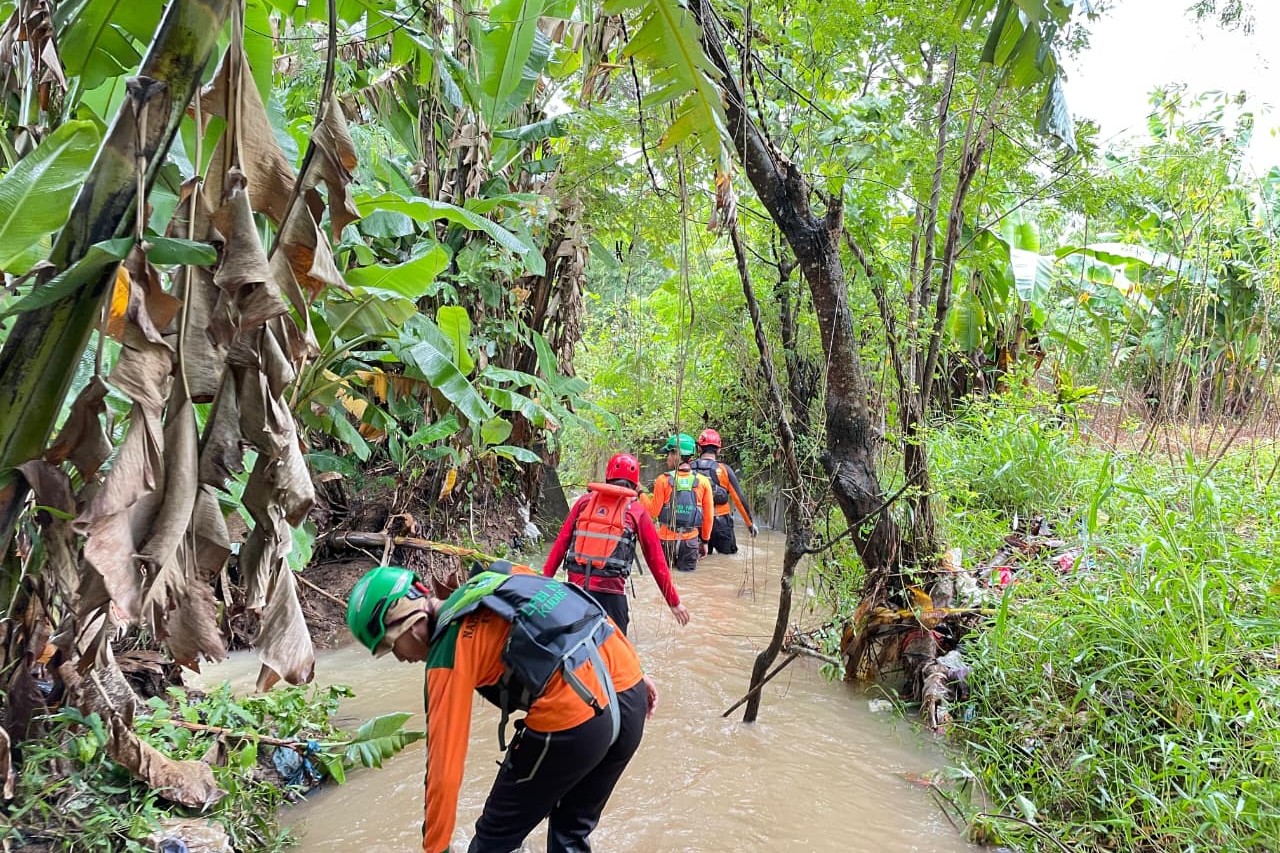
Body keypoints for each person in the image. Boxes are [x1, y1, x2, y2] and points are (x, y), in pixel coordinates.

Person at [346, 561, 658, 853]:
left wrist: (435, 848)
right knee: (571, 832)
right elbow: (570, 604)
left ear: (408, 622)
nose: (401, 658)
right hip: (628, 692)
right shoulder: (498, 577)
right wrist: (637, 672)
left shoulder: (448, 650)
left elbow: (444, 770)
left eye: (390, 646)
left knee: (493, 840)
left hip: (575, 718)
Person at [542, 452, 691, 635]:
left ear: (607, 477)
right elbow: (655, 560)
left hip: (575, 592)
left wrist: (543, 583)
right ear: (636, 484)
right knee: (616, 657)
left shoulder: (583, 502)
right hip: (611, 596)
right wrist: (674, 602)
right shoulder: (636, 511)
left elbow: (561, 544)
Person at [643, 432, 714, 572]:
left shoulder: (662, 480)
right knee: (687, 581)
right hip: (690, 543)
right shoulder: (703, 482)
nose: (667, 458)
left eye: (669, 454)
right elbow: (708, 517)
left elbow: (653, 512)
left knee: (664, 581)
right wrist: (705, 541)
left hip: (665, 541)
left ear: (677, 455)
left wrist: (640, 493)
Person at [689, 427, 759, 555]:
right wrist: (749, 524)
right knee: (729, 557)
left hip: (696, 522)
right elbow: (739, 499)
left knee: (702, 559)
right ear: (719, 449)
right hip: (721, 523)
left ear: (699, 448)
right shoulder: (725, 470)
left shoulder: (689, 469)